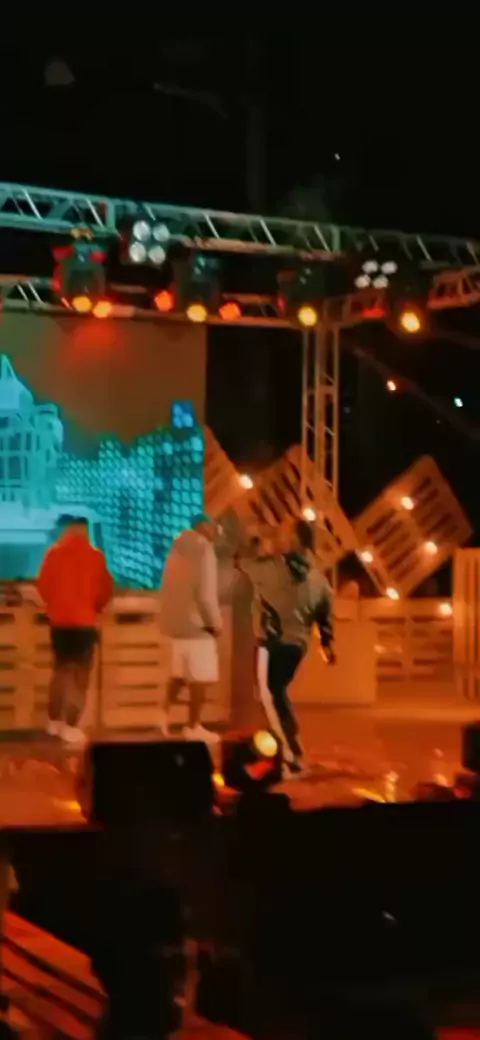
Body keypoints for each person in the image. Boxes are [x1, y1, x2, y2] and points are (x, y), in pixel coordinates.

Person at [241, 519, 334, 776]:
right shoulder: (319, 577)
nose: (279, 536)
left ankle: (291, 754)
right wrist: (327, 644)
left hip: (272, 641)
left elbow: (243, 564)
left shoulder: (273, 568)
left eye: (284, 533)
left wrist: (256, 543)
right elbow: (325, 610)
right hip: (298, 645)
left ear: (296, 541)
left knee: (270, 694)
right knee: (276, 693)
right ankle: (289, 749)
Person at [37, 515, 114, 747]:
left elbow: (43, 587)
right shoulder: (96, 556)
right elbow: (106, 590)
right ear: (85, 530)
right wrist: (95, 608)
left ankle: (53, 721)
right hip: (83, 623)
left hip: (59, 624)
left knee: (60, 670)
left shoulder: (53, 553)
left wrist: (55, 608)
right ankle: (70, 726)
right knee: (80, 677)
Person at [158, 514, 222, 745]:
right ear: (203, 526)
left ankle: (161, 716)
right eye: (213, 526)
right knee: (200, 679)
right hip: (198, 626)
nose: (215, 531)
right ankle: (193, 727)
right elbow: (205, 595)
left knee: (179, 676)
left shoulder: (175, 550)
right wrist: (215, 624)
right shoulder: (205, 550)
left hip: (176, 627)